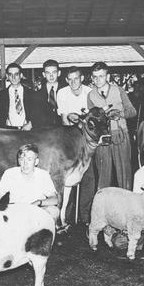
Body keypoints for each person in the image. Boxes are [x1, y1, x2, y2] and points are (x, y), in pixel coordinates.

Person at [87, 61, 137, 190]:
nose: (98, 80)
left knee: (124, 174)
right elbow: (91, 120)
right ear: (92, 78)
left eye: (101, 76)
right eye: (95, 77)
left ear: (107, 77)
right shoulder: (90, 95)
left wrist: (119, 114)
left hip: (120, 134)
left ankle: (127, 205)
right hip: (102, 138)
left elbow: (132, 111)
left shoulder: (118, 90)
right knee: (103, 175)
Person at [56, 66, 95, 227]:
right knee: (67, 177)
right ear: (66, 80)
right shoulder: (62, 93)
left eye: (76, 78)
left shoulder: (90, 92)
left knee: (89, 177)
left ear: (82, 78)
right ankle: (66, 215)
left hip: (88, 139)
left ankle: (85, 216)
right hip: (70, 138)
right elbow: (65, 120)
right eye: (70, 79)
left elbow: (94, 118)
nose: (73, 82)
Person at [0, 144, 60, 222]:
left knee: (54, 211)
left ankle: (46, 234)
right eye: (22, 159)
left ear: (36, 161)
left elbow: (55, 199)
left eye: (29, 159)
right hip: (15, 211)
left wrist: (38, 202)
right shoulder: (10, 173)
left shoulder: (43, 175)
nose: (25, 163)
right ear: (19, 161)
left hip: (36, 211)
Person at [0, 63, 34, 130]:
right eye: (10, 75)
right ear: (7, 76)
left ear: (21, 75)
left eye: (16, 74)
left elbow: (38, 114)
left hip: (27, 132)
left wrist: (31, 123)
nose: (13, 77)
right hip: (8, 132)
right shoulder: (2, 95)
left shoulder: (31, 93)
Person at [30, 59, 64, 127]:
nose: (51, 76)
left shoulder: (65, 92)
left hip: (62, 132)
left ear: (59, 73)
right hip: (44, 133)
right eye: (48, 73)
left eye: (54, 72)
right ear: (44, 74)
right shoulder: (36, 95)